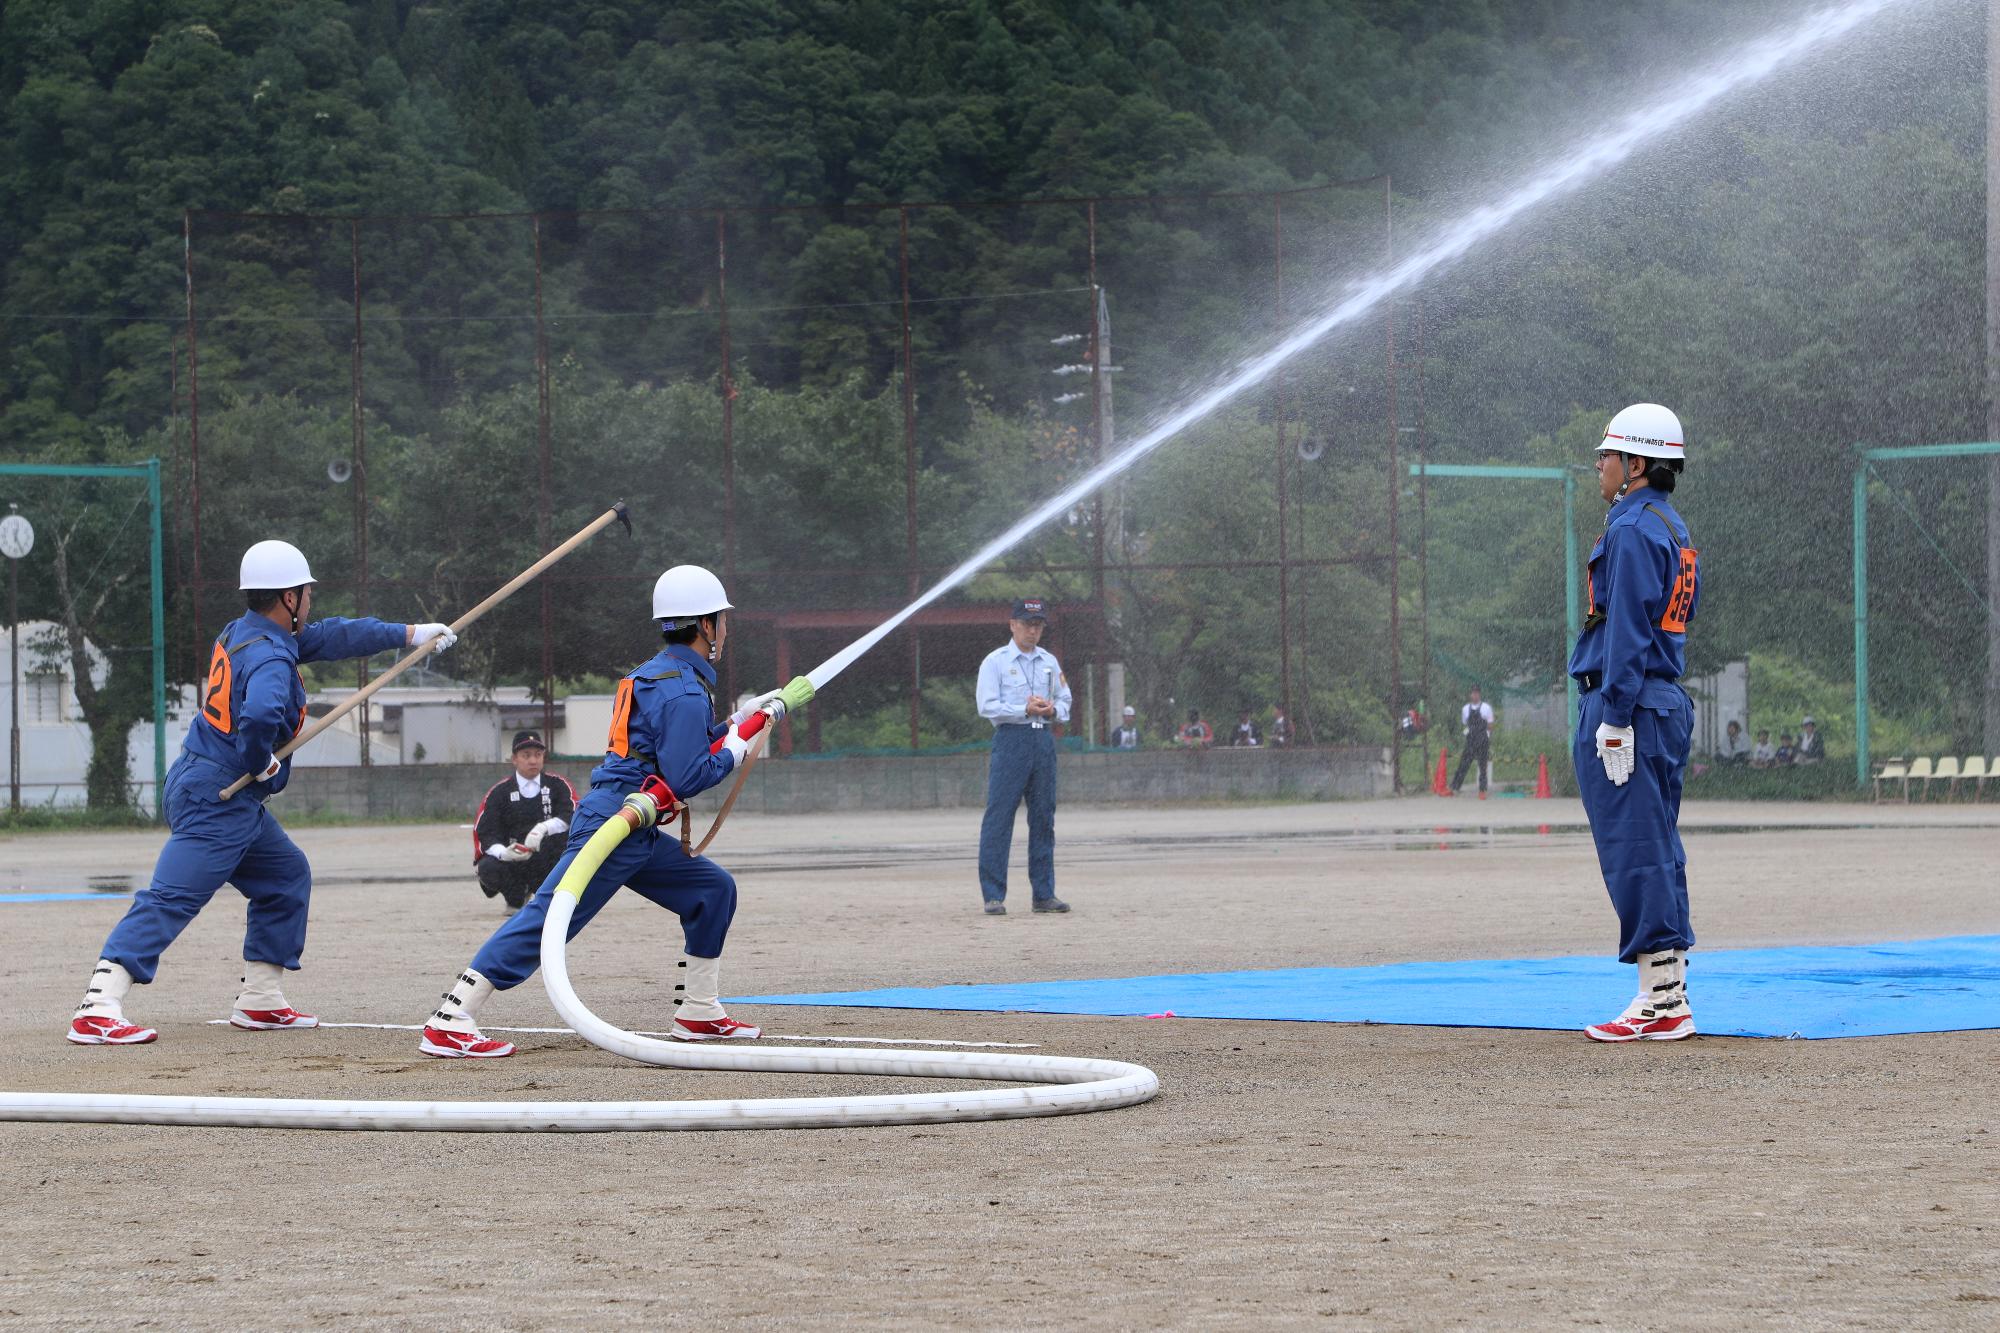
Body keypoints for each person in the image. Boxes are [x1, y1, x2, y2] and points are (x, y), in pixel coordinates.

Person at [66, 540, 456, 1045]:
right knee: (172, 897)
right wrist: (261, 761)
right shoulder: (273, 656)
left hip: (213, 785)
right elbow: (259, 717)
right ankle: (98, 1004)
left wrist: (411, 634)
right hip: (219, 795)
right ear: (289, 598)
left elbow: (335, 635)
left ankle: (260, 999)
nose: (311, 602)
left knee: (284, 876)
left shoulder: (248, 632)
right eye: (307, 593)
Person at [416, 565, 814, 1058]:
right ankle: (453, 1014)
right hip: (621, 821)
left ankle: (698, 1011)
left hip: (632, 820)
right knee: (552, 916)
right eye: (722, 620)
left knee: (712, 889)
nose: (726, 630)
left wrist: (738, 721)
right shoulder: (684, 689)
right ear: (706, 625)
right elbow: (689, 775)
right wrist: (737, 745)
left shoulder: (659, 675)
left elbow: (676, 745)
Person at [1569, 403, 1700, 1044]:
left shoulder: (1630, 529)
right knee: (1657, 849)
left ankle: (1660, 1002)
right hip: (1662, 701)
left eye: (1608, 454)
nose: (1599, 463)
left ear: (1636, 465)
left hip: (1631, 703)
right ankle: (1666, 991)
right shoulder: (1670, 527)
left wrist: (1614, 715)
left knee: (1635, 851)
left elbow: (1625, 628)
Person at [974, 597, 1073, 915]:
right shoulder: (996, 661)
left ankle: (1043, 894)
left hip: (1042, 737)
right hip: (1011, 739)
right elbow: (986, 706)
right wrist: (1023, 709)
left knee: (1044, 817)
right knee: (999, 817)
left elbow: (1066, 699)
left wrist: (1053, 709)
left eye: (1039, 625)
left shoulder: (1049, 662)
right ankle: (993, 894)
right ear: (1013, 624)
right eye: (1028, 624)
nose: (1034, 630)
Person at [472, 730, 577, 915]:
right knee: (488, 867)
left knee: (571, 859)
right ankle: (516, 898)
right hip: (515, 860)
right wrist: (504, 853)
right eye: (526, 755)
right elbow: (486, 831)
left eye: (538, 755)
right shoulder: (499, 792)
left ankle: (554, 898)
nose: (533, 761)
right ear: (514, 759)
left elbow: (573, 814)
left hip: (549, 857)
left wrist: (544, 827)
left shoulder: (558, 785)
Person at [1450, 686, 1495, 798]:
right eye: (1473, 693)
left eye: (1477, 693)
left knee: (1482, 766)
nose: (1475, 695)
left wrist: (1486, 737)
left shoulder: (1486, 707)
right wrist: (1470, 734)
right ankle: (1455, 787)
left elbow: (1490, 725)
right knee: (1464, 764)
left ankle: (1482, 790)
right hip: (1470, 740)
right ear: (1470, 695)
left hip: (1482, 739)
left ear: (1479, 695)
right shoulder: (1465, 709)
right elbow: (1466, 723)